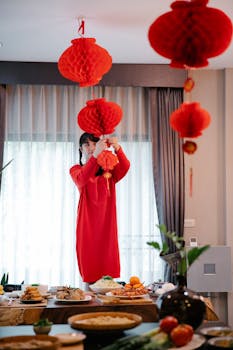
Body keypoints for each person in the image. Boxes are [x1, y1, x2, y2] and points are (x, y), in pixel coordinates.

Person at [70, 132, 130, 284]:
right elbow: (83, 179)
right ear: (80, 148)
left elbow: (125, 167)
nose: (91, 148)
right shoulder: (76, 169)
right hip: (87, 227)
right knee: (89, 277)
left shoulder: (109, 171)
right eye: (86, 144)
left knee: (108, 281)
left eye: (94, 144)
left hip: (107, 226)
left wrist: (117, 148)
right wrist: (96, 156)